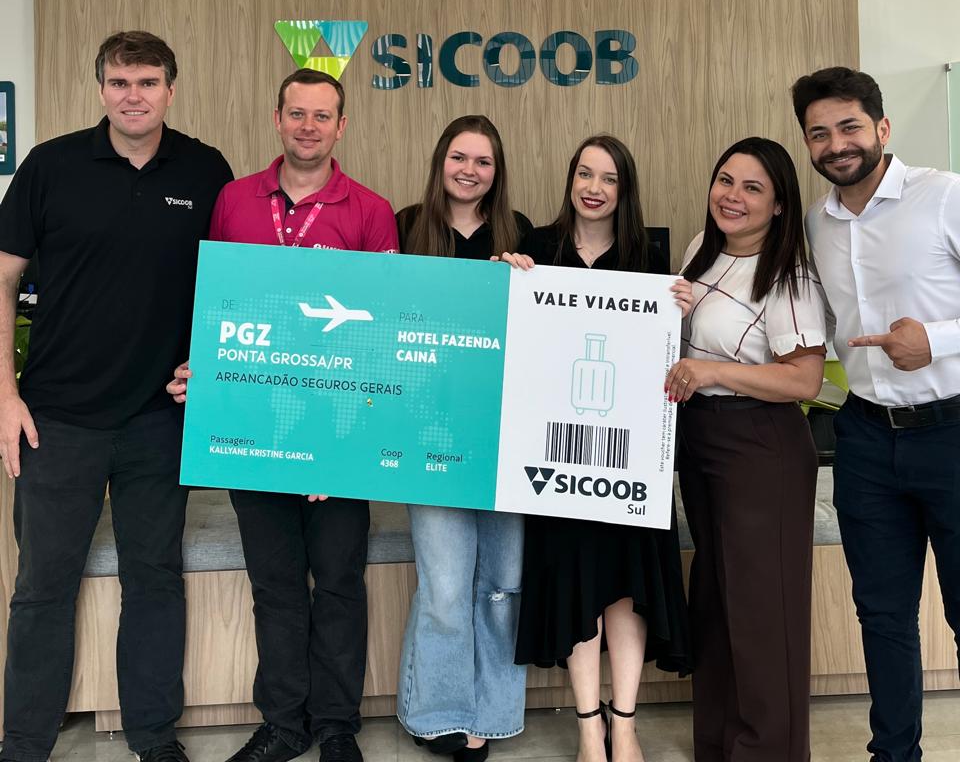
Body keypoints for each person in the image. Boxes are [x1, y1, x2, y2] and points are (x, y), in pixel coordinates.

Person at [0, 30, 233, 762]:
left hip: (157, 418)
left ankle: (153, 737)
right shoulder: (50, 166)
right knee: (42, 586)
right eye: (120, 82)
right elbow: (3, 280)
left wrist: (209, 362)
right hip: (55, 419)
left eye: (148, 82)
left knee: (155, 579)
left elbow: (232, 288)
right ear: (101, 88)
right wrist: (5, 395)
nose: (134, 96)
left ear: (171, 88)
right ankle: (24, 743)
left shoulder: (205, 170)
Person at [168, 68, 397, 762]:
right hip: (253, 431)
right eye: (296, 113)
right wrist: (201, 372)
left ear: (341, 126)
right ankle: (283, 724)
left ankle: (335, 727)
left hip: (339, 436)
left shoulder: (371, 210)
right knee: (274, 585)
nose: (308, 127)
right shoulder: (234, 200)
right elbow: (217, 306)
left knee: (339, 584)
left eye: (322, 116)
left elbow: (379, 337)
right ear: (277, 119)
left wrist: (336, 447)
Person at [792, 66, 960, 762]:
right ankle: (894, 755)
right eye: (819, 133)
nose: (837, 144)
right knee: (883, 617)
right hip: (864, 438)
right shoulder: (815, 223)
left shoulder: (944, 196)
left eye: (850, 126)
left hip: (951, 432)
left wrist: (936, 341)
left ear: (882, 128)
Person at [505, 135, 691, 762]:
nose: (594, 187)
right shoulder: (537, 250)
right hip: (556, 459)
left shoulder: (649, 257)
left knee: (625, 589)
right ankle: (589, 726)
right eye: (584, 173)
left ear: (624, 189)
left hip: (631, 457)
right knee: (576, 586)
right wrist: (508, 282)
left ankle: (626, 722)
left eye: (609, 178)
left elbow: (666, 353)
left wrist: (683, 309)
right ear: (570, 179)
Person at [665, 138, 826, 762]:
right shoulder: (698, 253)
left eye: (753, 188)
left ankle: (769, 752)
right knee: (717, 599)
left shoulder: (788, 274)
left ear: (779, 205)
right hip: (701, 439)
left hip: (761, 447)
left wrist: (711, 372)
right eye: (725, 180)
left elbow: (804, 381)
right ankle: (719, 746)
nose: (732, 197)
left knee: (763, 612)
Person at [395, 116, 532, 762]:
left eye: (483, 161)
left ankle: (495, 712)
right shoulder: (405, 226)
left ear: (496, 172)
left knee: (504, 583)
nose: (469, 170)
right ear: (440, 161)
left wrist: (529, 278)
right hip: (428, 433)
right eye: (459, 157)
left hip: (506, 435)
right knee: (446, 585)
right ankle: (437, 713)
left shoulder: (521, 233)